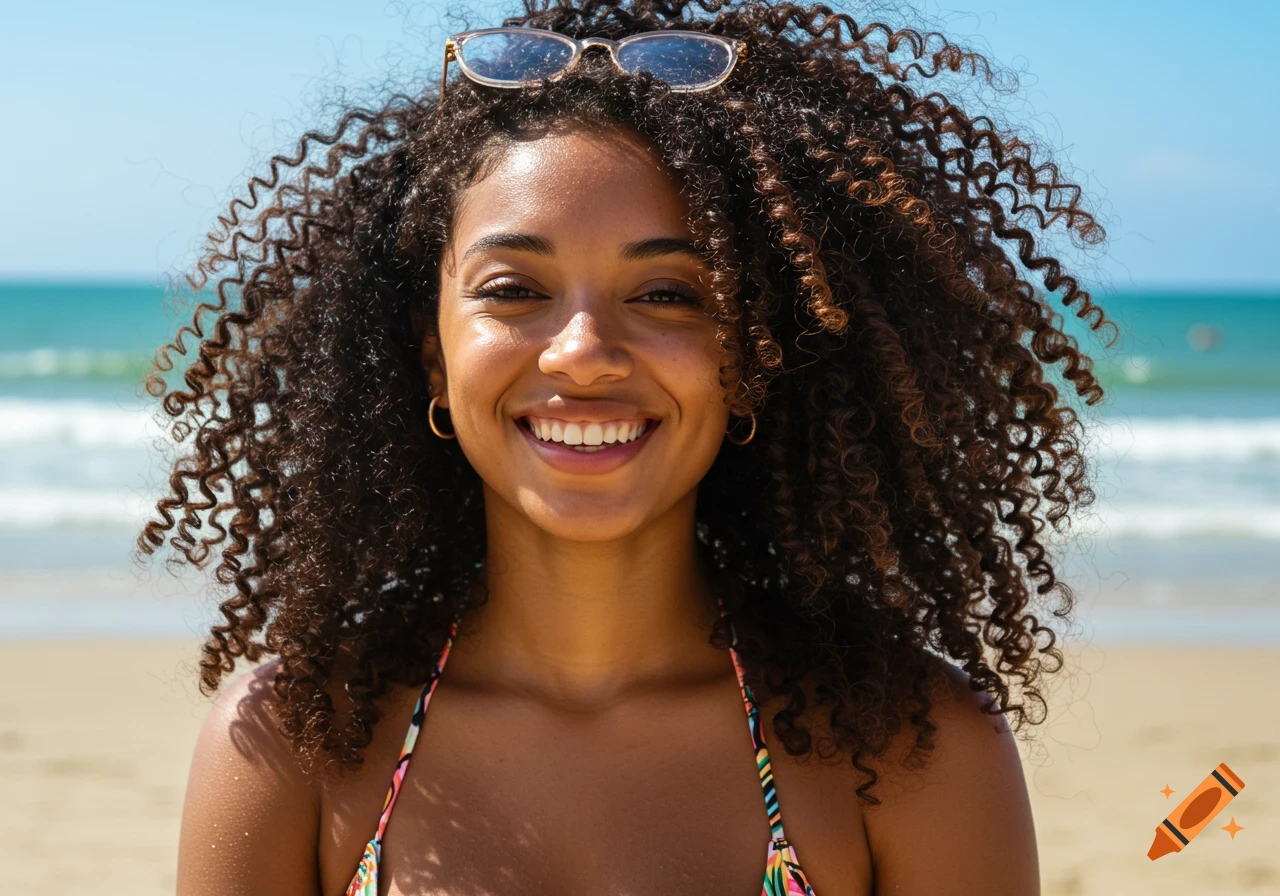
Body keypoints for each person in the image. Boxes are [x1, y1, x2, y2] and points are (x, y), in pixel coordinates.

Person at [143, 1, 1113, 892]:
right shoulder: (295, 739)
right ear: (430, 355)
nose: (584, 354)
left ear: (752, 353)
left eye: (666, 295)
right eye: (513, 289)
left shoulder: (908, 749)